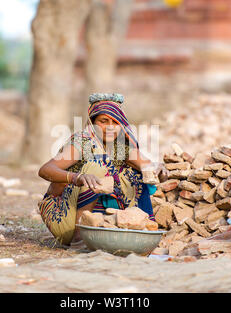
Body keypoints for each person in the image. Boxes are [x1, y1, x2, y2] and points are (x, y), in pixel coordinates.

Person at [38, 93, 168, 246]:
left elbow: (146, 165)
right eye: (103, 121)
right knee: (96, 169)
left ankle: (132, 228)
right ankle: (79, 238)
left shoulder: (120, 146)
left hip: (101, 223)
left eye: (116, 122)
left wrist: (157, 171)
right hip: (64, 217)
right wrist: (77, 177)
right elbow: (45, 169)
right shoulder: (83, 142)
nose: (111, 127)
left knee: (134, 174)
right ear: (92, 123)